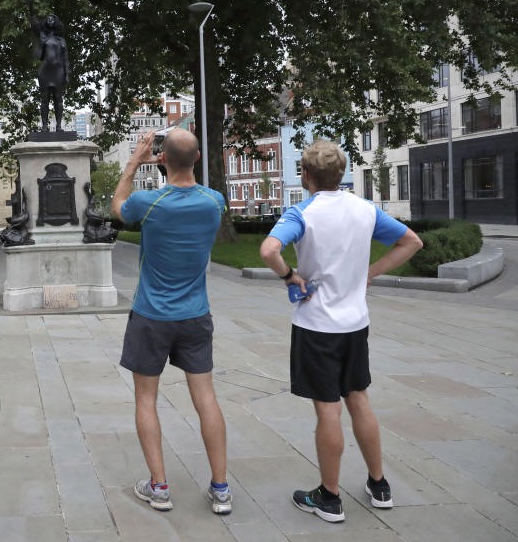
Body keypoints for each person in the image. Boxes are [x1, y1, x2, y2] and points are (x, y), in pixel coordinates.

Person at [259, 139, 422, 523]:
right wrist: (369, 273)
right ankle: (379, 485)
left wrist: (289, 275)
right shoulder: (365, 209)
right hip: (355, 324)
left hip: (316, 326)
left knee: (328, 410)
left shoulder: (302, 213)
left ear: (306, 175)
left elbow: (268, 250)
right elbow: (411, 241)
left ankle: (329, 497)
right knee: (358, 398)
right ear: (342, 174)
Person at [111, 129, 233, 515]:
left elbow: (118, 204)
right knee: (206, 399)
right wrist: (172, 159)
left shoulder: (149, 203)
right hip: (195, 315)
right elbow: (194, 184)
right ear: (197, 159)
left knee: (146, 399)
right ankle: (221, 488)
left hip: (151, 316)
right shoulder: (215, 202)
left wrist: (135, 161)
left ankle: (159, 487)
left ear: (162, 160)